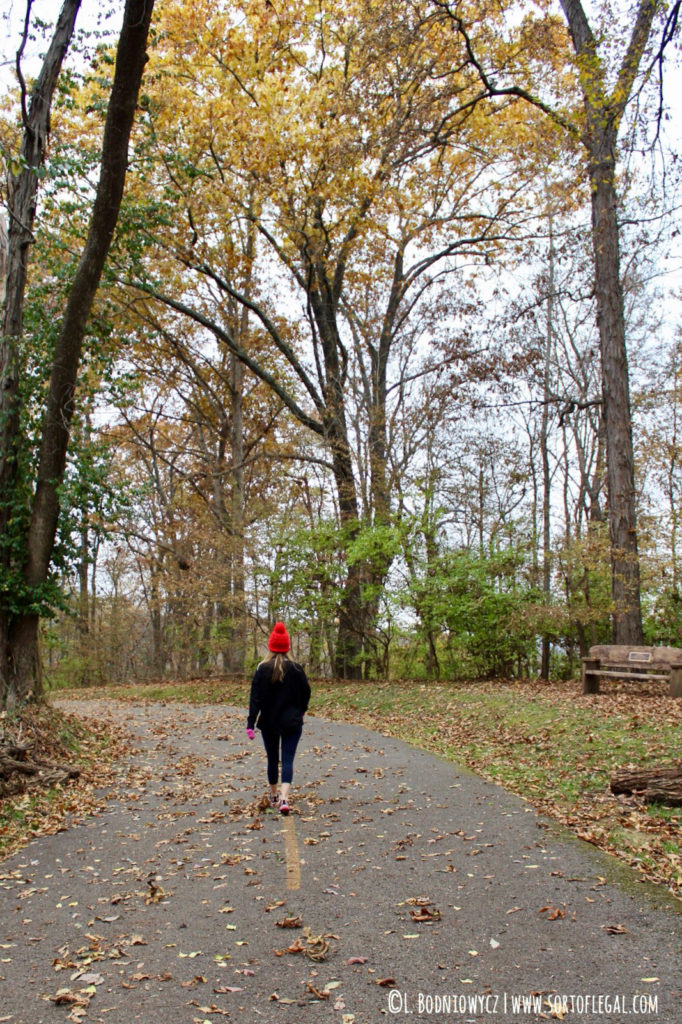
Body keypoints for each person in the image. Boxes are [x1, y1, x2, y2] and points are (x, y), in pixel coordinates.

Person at [246, 621, 311, 815]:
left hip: (269, 722)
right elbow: (306, 692)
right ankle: (285, 798)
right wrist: (302, 710)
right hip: (292, 721)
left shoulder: (262, 669)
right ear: (287, 646)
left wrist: (251, 723)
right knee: (288, 758)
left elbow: (254, 698)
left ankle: (274, 795)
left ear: (271, 646)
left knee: (272, 758)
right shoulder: (297, 669)